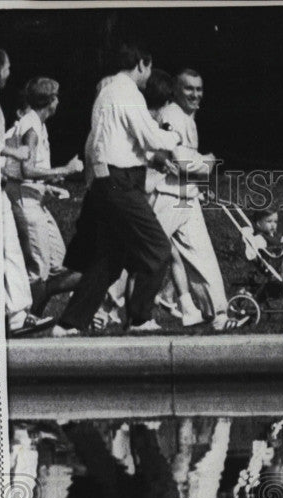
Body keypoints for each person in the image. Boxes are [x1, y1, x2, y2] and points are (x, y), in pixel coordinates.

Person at [51, 43, 182, 336]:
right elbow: (149, 136)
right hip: (120, 182)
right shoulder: (127, 93)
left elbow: (109, 142)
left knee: (109, 260)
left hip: (105, 180)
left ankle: (69, 323)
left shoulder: (107, 93)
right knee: (158, 247)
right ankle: (139, 318)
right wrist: (173, 137)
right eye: (148, 68)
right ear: (141, 63)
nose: (149, 76)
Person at [149, 69, 238, 330]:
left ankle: (218, 315)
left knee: (203, 255)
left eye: (199, 89)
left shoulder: (187, 117)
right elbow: (180, 159)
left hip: (185, 196)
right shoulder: (171, 115)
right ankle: (105, 306)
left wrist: (199, 181)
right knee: (142, 254)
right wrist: (207, 163)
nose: (195, 94)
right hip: (165, 195)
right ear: (176, 90)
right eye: (189, 89)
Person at [4, 76, 84, 316]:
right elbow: (25, 169)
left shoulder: (37, 123)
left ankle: (35, 315)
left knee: (58, 263)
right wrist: (65, 170)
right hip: (26, 202)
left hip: (36, 199)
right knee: (38, 269)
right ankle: (25, 319)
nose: (58, 102)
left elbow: (25, 169)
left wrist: (49, 182)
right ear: (50, 101)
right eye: (56, 97)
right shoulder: (32, 128)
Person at [0, 50, 48, 336]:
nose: (9, 73)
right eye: (7, 68)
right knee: (9, 252)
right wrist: (14, 151)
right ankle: (15, 316)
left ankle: (16, 315)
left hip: (1, 187)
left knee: (11, 252)